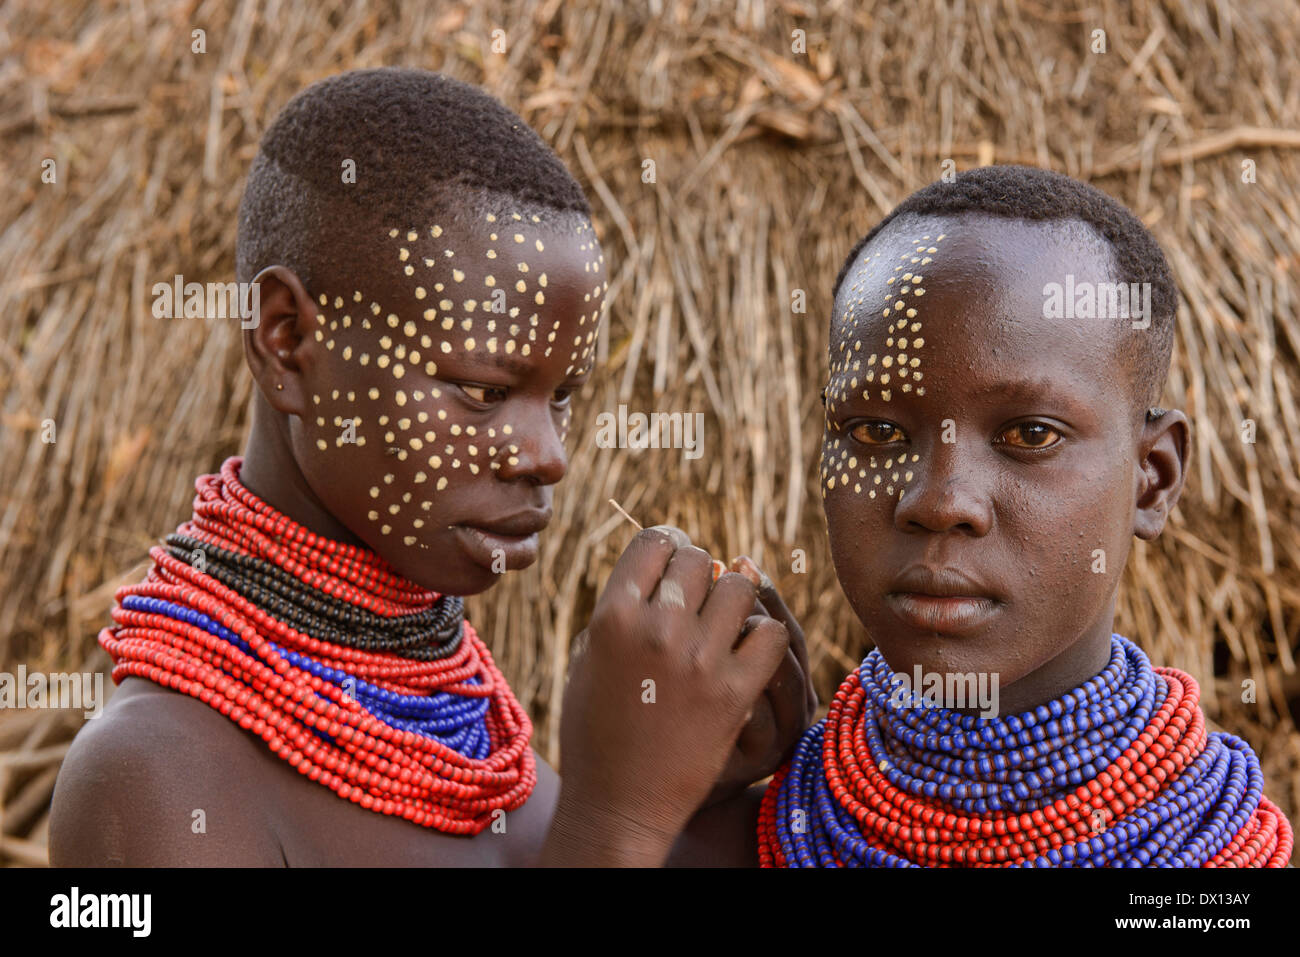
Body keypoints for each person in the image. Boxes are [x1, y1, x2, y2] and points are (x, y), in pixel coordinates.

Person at [50, 67, 814, 867]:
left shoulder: (467, 741)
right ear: (287, 341)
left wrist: (702, 801)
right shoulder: (143, 786)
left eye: (561, 398)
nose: (548, 457)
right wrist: (619, 813)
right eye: (484, 390)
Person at [752, 165, 1293, 867]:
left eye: (1031, 434)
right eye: (877, 433)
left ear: (1152, 478)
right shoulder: (735, 832)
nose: (941, 501)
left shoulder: (1215, 866)